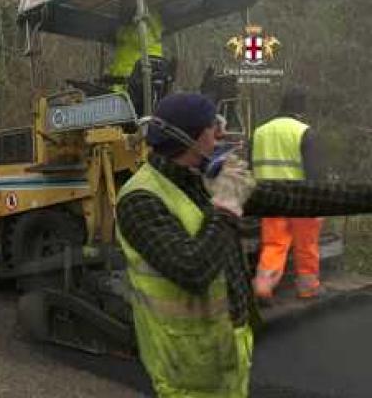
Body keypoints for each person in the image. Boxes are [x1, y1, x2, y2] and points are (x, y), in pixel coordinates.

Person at [116, 93, 372, 397]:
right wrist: (225, 207)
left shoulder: (201, 178)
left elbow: (293, 197)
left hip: (225, 352)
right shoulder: (139, 200)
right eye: (214, 127)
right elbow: (192, 270)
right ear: (190, 138)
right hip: (186, 366)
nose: (222, 134)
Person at [251, 87, 322, 299]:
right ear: (301, 109)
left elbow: (249, 165)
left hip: (270, 198)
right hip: (300, 200)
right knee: (306, 246)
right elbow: (314, 171)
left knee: (274, 245)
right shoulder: (303, 131)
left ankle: (264, 285)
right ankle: (308, 288)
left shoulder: (259, 131)